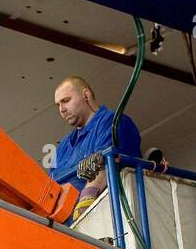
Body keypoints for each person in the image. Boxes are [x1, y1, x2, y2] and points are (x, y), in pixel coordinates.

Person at [50, 76, 142, 219]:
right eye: (58, 105)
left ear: (86, 95)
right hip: (68, 227)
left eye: (66, 101)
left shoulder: (112, 122)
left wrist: (83, 207)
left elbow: (105, 168)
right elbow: (50, 188)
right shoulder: (62, 147)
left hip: (103, 219)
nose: (62, 109)